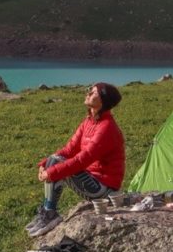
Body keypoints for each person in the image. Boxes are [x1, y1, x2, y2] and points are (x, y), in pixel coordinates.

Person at [25, 82, 125, 237]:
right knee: (55, 159)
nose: (88, 93)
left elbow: (82, 160)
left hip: (105, 190)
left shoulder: (106, 128)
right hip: (92, 180)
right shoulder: (88, 122)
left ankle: (50, 214)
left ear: (103, 101)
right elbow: (69, 149)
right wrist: (45, 164)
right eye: (89, 90)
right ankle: (47, 211)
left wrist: (52, 171)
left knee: (58, 166)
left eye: (93, 92)